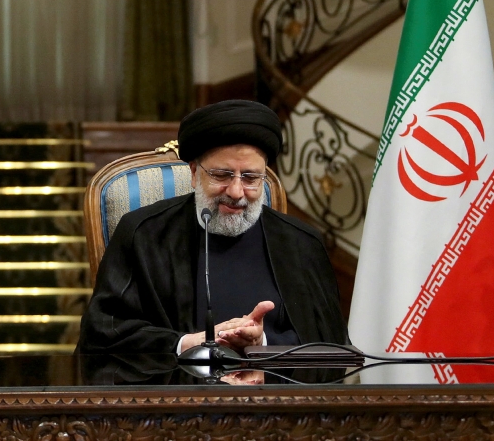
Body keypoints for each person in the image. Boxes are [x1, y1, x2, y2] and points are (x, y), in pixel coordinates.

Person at [77, 99, 346, 355]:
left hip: (270, 386)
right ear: (195, 173)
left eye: (250, 178)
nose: (236, 191)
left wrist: (262, 343)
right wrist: (188, 344)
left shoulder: (301, 243)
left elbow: (330, 343)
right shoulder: (143, 234)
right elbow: (102, 335)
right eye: (222, 175)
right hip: (175, 386)